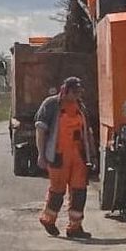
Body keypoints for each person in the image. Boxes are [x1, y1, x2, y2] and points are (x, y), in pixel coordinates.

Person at [35, 76, 96, 239]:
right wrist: (41, 154)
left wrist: (92, 155)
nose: (78, 94)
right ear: (66, 90)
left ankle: (75, 227)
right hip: (58, 155)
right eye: (75, 91)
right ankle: (48, 219)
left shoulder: (80, 107)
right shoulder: (51, 105)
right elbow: (40, 130)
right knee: (57, 191)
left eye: (79, 91)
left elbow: (87, 132)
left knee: (79, 192)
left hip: (79, 157)